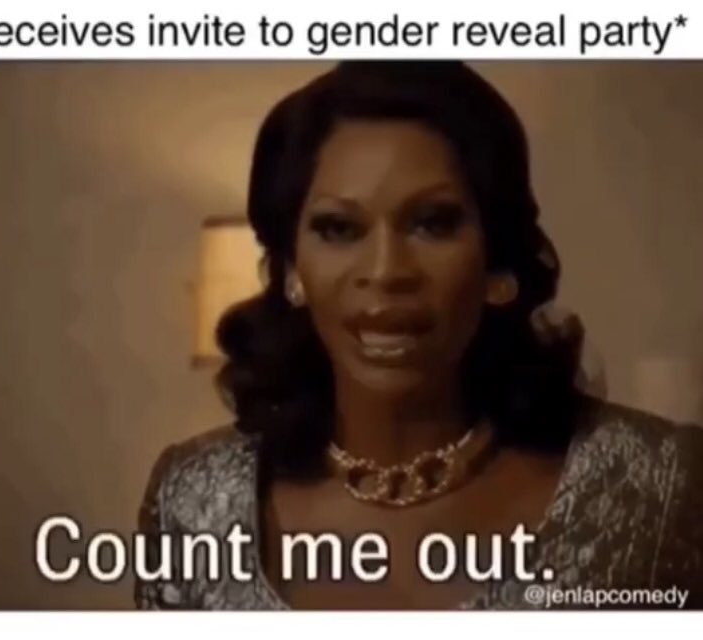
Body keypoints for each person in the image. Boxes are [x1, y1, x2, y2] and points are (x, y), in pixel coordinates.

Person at [134, 62, 703, 610]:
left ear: (497, 263)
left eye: (433, 223)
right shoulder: (193, 502)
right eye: (339, 228)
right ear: (290, 270)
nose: (386, 272)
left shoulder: (657, 491)